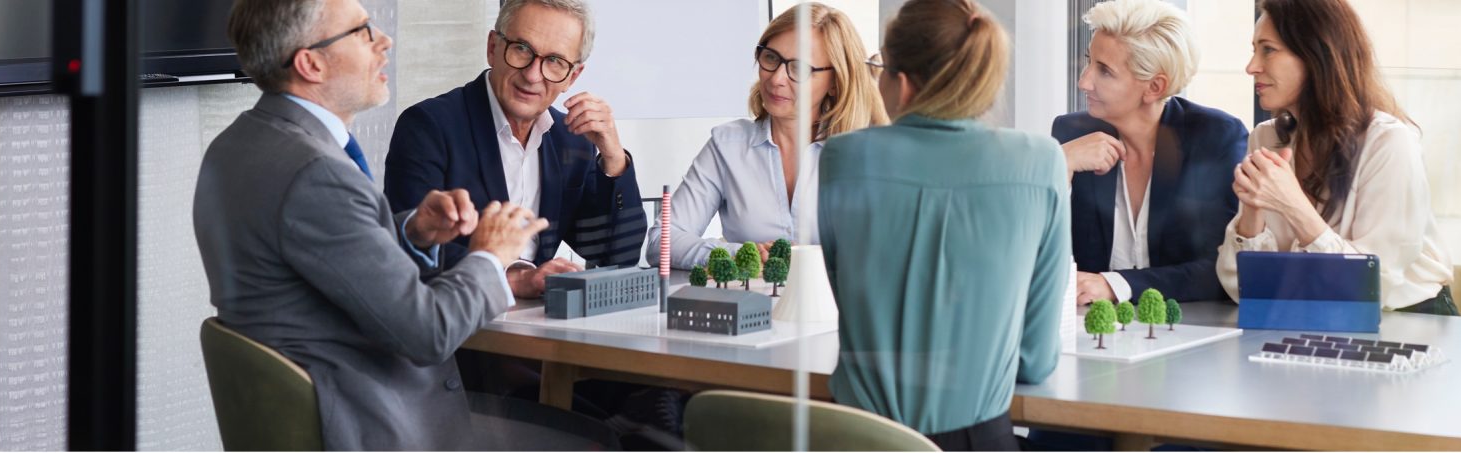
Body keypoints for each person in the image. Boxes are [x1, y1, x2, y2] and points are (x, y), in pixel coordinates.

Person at [196, 0, 595, 448]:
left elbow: (333, 266)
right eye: (363, 33)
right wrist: (490, 255)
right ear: (311, 63)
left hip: (327, 410)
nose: (385, 43)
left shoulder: (236, 145)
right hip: (376, 423)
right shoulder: (318, 173)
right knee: (595, 438)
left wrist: (411, 231)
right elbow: (429, 333)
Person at [818, 0, 1066, 450]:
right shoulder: (1041, 160)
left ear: (904, 84)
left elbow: (857, 310)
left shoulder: (845, 156)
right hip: (975, 441)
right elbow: (1034, 360)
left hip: (855, 436)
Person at [386, 0, 645, 300]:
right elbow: (408, 246)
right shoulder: (428, 126)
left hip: (538, 328)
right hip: (458, 329)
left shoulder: (571, 138)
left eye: (555, 61)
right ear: (493, 47)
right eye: (522, 48)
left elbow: (617, 254)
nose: (533, 75)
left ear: (572, 76)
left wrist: (613, 159)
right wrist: (510, 278)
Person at [1218, 0, 1455, 313]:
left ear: (1317, 54)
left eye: (1268, 50)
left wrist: (1292, 203)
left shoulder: (1390, 143)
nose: (1252, 66)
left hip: (1407, 324)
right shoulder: (1266, 138)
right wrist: (1253, 208)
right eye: (1254, 50)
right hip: (1310, 319)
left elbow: (1368, 288)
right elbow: (1245, 291)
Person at [645, 2, 887, 269]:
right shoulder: (727, 145)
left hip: (837, 309)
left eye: (799, 68)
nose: (776, 79)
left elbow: (887, 252)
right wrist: (741, 254)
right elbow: (661, 242)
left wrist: (808, 258)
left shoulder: (864, 153)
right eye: (771, 58)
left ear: (834, 83)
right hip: (751, 307)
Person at [1053, 0, 1247, 306]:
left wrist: (1113, 285)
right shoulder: (1071, 134)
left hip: (1191, 332)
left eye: (1104, 71)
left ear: (1155, 87)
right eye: (1090, 61)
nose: (1083, 81)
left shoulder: (1214, 137)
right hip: (1088, 330)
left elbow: (1221, 271)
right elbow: (1032, 254)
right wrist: (1058, 167)